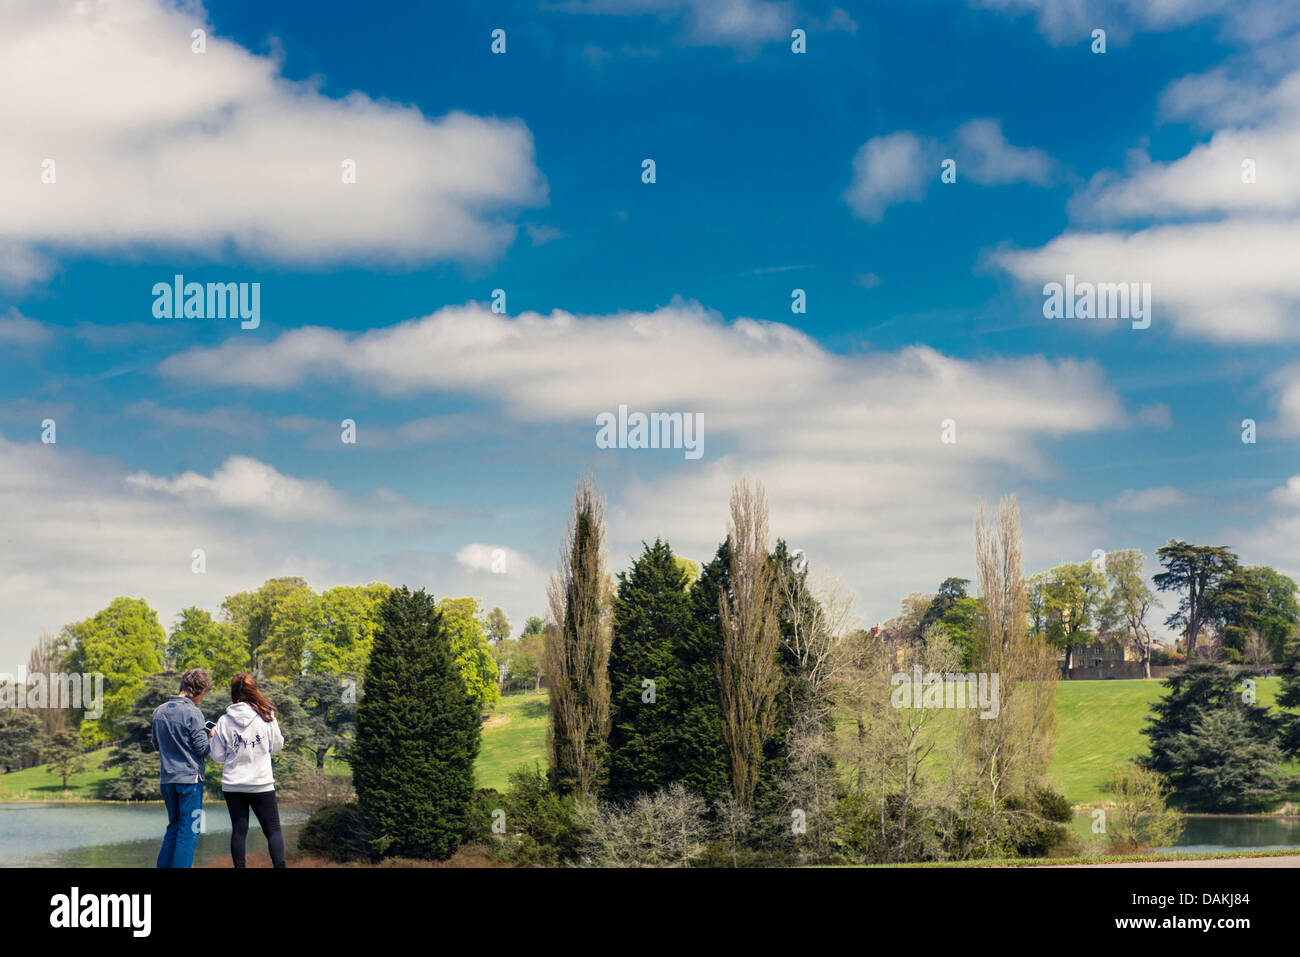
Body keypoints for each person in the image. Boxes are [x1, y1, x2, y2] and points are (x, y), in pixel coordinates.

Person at [209, 673, 287, 868]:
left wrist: (214, 740)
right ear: (255, 691)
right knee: (273, 831)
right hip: (261, 783)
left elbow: (217, 756)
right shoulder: (266, 716)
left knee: (239, 831)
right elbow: (277, 746)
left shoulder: (224, 721)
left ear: (234, 693)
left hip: (233, 785)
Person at [152, 668, 215, 868]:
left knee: (174, 827)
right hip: (191, 781)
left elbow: (156, 744)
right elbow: (203, 749)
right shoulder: (193, 712)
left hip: (167, 780)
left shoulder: (159, 711)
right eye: (202, 695)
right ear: (197, 691)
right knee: (190, 831)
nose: (201, 699)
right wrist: (211, 735)